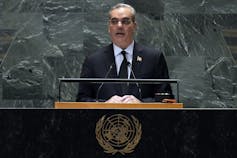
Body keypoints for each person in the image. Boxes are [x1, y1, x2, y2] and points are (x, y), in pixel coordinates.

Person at [76, 3, 173, 103]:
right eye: (114, 22)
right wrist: (104, 104)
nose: (119, 26)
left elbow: (167, 100)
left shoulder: (153, 58)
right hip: (105, 118)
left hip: (145, 118)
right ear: (109, 27)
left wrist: (142, 104)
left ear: (135, 26)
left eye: (125, 21)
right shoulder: (93, 61)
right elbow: (81, 100)